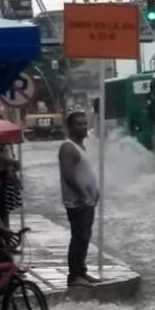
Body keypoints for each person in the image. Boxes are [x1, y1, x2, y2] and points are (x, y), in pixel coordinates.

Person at [59, 111, 100, 287]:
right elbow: (68, 175)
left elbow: (83, 172)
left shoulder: (81, 146)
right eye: (79, 124)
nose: (83, 127)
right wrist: (82, 194)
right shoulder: (68, 148)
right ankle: (74, 276)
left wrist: (94, 190)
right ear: (70, 127)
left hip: (87, 200)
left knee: (84, 237)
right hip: (77, 202)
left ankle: (81, 272)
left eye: (85, 123)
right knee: (79, 237)